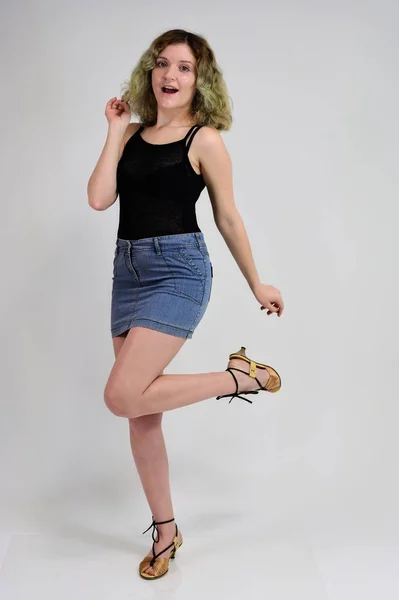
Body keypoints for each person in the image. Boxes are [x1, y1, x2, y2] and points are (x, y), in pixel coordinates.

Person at [87, 28, 284, 581]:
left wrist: (256, 283)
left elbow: (227, 216)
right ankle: (167, 531)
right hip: (126, 273)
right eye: (162, 64)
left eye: (185, 68)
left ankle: (238, 380)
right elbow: (100, 198)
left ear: (201, 81)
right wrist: (111, 130)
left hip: (179, 270)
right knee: (142, 414)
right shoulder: (126, 134)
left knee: (122, 394)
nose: (170, 75)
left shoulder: (205, 140)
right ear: (150, 73)